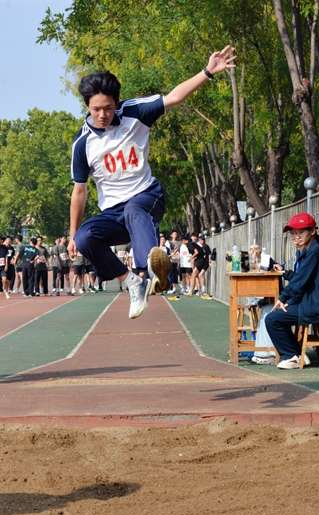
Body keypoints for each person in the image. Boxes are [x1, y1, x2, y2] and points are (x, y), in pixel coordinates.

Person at [69, 46, 236, 318]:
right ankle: (132, 282)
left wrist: (207, 72)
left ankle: (151, 270)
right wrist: (72, 234)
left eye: (108, 108)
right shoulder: (82, 143)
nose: (102, 115)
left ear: (116, 103)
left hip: (147, 196)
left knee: (134, 209)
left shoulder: (135, 112)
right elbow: (79, 191)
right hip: (113, 213)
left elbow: (174, 97)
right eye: (96, 109)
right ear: (87, 106)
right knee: (85, 238)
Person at [260, 213, 319, 368]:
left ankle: (292, 355)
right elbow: (302, 278)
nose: (296, 237)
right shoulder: (309, 250)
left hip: (316, 305)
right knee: (276, 315)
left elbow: (300, 282)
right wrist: (285, 273)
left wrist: (283, 298)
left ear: (312, 231)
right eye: (293, 233)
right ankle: (296, 353)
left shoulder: (315, 251)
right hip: (311, 301)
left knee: (272, 319)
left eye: (301, 232)